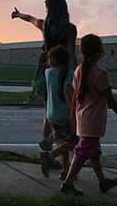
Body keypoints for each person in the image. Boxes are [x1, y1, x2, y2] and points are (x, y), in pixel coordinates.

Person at [60, 34, 117, 196]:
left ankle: (103, 182)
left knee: (93, 152)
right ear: (100, 51)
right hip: (93, 121)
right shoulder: (101, 74)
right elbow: (111, 100)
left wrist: (73, 114)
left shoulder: (79, 70)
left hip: (83, 118)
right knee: (82, 152)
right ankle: (67, 184)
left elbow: (74, 96)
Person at [11, 0, 78, 151]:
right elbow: (72, 54)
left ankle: (48, 150)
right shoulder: (70, 28)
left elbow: (30, 18)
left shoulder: (44, 25)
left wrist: (17, 15)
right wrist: (76, 75)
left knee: (49, 113)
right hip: (64, 73)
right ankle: (61, 153)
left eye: (47, 8)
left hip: (48, 72)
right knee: (67, 112)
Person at [40, 45, 78, 180]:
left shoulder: (48, 73)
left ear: (54, 60)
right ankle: (49, 155)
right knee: (73, 141)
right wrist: (73, 112)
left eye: (49, 58)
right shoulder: (69, 74)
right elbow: (67, 92)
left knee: (62, 143)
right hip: (63, 114)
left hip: (51, 115)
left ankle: (65, 170)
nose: (47, 60)